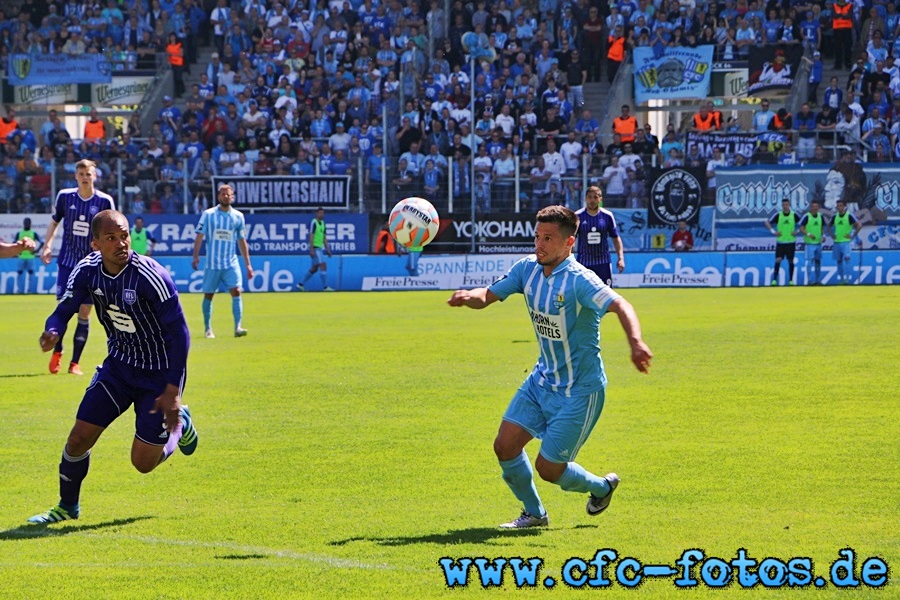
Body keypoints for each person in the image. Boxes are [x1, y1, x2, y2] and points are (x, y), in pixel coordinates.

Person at [447, 205, 653, 529]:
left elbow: (620, 304)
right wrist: (467, 297)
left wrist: (636, 342)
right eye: (537, 237)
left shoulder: (580, 280)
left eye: (548, 238)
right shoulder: (527, 269)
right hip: (542, 380)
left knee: (549, 468)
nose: (539, 245)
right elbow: (486, 295)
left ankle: (601, 487)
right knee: (505, 445)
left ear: (569, 242)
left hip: (580, 391)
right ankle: (535, 514)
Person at [28, 210, 198, 524]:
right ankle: (67, 507)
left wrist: (173, 390)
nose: (121, 243)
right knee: (78, 438)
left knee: (143, 463)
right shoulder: (88, 271)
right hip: (119, 368)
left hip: (159, 376)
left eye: (124, 236)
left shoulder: (151, 276)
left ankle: (180, 425)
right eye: (111, 238)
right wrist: (53, 329)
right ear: (96, 244)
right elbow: (64, 308)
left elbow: (180, 333)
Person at [41, 159, 116, 375]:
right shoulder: (65, 197)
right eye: (81, 173)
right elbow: (55, 222)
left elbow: (111, 229)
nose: (85, 177)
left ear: (95, 176)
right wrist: (47, 246)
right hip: (67, 263)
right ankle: (58, 351)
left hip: (92, 267)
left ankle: (75, 363)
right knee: (65, 310)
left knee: (85, 312)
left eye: (89, 173)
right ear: (76, 176)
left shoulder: (104, 201)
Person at [191, 183, 253, 338]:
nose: (226, 196)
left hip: (231, 262)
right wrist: (196, 256)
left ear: (232, 197)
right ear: (219, 196)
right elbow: (199, 235)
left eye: (229, 194)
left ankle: (238, 327)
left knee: (236, 290)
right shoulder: (209, 214)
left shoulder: (238, 216)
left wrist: (248, 265)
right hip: (212, 263)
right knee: (209, 295)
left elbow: (241, 240)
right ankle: (207, 329)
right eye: (223, 194)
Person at [574, 187, 624, 286]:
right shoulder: (578, 216)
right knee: (583, 295)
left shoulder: (607, 216)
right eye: (589, 197)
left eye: (595, 197)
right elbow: (571, 239)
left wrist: (621, 258)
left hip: (603, 263)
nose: (592, 200)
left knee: (607, 295)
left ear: (600, 199)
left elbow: (615, 237)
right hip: (583, 263)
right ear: (585, 198)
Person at [297, 207, 334, 291]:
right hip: (315, 247)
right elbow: (311, 235)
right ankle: (325, 287)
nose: (322, 215)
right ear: (316, 214)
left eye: (323, 213)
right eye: (320, 213)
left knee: (314, 269)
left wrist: (328, 249)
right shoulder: (313, 222)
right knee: (323, 265)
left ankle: (300, 284)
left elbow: (324, 237)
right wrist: (311, 249)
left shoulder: (323, 223)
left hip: (319, 247)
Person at [766, 198, 799, 286]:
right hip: (781, 242)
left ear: (789, 205)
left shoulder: (794, 215)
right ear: (782, 206)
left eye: (786, 205)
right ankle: (774, 280)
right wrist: (774, 232)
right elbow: (767, 222)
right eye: (783, 205)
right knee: (778, 260)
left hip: (790, 242)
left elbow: (803, 224)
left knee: (790, 261)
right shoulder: (778, 215)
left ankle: (791, 280)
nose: (785, 206)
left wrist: (797, 231)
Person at [830, 199, 861, 285]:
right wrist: (831, 234)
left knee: (847, 259)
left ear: (844, 206)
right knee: (839, 261)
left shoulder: (849, 216)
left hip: (846, 242)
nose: (839, 207)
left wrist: (853, 235)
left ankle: (847, 279)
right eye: (838, 206)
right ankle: (841, 279)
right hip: (837, 242)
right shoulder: (834, 217)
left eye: (841, 205)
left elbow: (859, 225)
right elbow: (829, 226)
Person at [799, 200, 824, 285]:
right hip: (809, 243)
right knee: (810, 261)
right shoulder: (807, 216)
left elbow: (822, 227)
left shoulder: (820, 216)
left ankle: (818, 280)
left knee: (818, 261)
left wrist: (823, 236)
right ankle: (809, 280)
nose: (815, 208)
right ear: (811, 207)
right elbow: (801, 228)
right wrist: (809, 234)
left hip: (818, 243)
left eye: (816, 207)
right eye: (813, 207)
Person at [15, 217, 43, 293]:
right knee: (20, 273)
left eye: (28, 223)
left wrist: (36, 251)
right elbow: (14, 243)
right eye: (26, 222)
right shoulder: (19, 233)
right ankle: (20, 291)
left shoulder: (33, 233)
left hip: (30, 257)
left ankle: (30, 291)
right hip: (21, 257)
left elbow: (42, 242)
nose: (27, 224)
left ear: (30, 224)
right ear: (23, 223)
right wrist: (17, 251)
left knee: (31, 274)